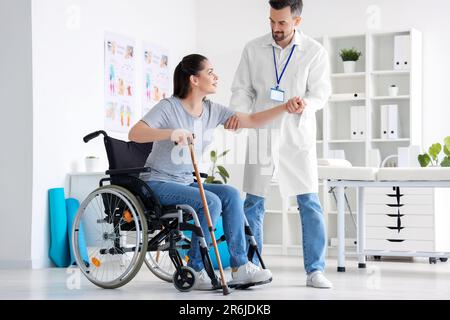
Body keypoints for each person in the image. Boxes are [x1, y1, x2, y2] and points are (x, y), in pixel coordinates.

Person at [129, 54, 303, 290]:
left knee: (230, 193)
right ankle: (196, 268)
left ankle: (241, 267)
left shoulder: (212, 110)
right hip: (157, 183)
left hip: (185, 183)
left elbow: (251, 119)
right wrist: (170, 133)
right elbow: (135, 133)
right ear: (194, 79)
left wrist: (285, 107)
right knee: (210, 201)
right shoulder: (168, 107)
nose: (216, 76)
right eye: (210, 72)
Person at [225, 0, 333, 288]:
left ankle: (315, 270)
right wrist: (239, 115)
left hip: (296, 135)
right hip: (262, 133)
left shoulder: (314, 52)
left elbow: (321, 93)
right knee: (254, 202)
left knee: (308, 201)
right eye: (271, 21)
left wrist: (305, 103)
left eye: (282, 22)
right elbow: (241, 89)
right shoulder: (253, 49)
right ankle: (253, 266)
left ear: (296, 20)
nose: (275, 28)